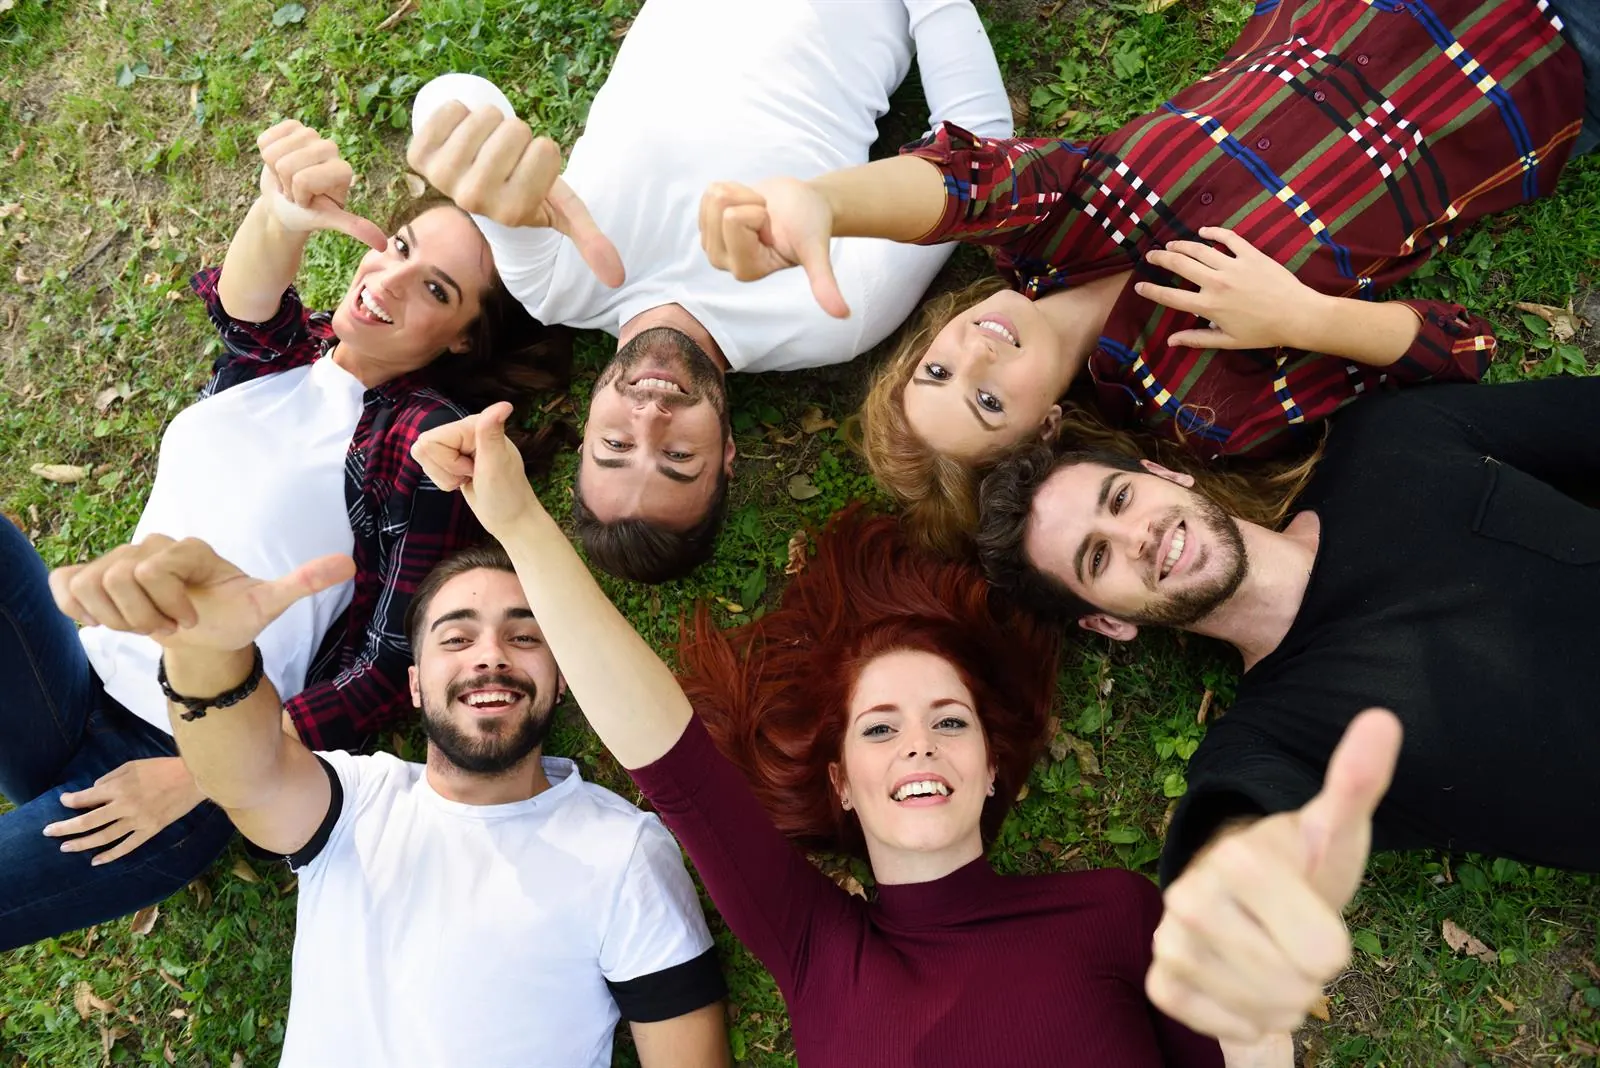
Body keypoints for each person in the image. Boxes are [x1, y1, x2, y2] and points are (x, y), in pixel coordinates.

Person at [401, 403, 1257, 1067]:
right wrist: (517, 523)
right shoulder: (816, 946)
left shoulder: (1113, 912)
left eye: (948, 721)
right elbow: (671, 761)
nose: (919, 745)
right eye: (880, 728)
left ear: (991, 766)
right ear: (842, 781)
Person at [700, 0, 1597, 555]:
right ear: (1045, 425)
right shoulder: (1205, 400)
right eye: (987, 402)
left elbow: (961, 184)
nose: (974, 353)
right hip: (1538, 65)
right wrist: (1307, 317)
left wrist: (824, 202)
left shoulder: (1052, 227)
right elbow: (1463, 351)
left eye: (939, 369)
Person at [0, 120, 569, 950]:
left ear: (462, 341)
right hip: (69, 675)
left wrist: (198, 776)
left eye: (437, 290)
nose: (391, 279)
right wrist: (280, 210)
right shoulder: (287, 362)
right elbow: (247, 303)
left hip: (183, 751)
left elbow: (386, 668)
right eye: (399, 246)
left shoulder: (417, 437)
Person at [974, 374, 1600, 1040]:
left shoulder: (1391, 438)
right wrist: (1235, 888)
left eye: (1122, 498)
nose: (1141, 537)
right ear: (1107, 623)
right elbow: (1235, 825)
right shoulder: (1272, 741)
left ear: (1165, 474)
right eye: (1099, 556)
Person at [43, 536, 731, 1067]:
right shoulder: (358, 799)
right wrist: (206, 655)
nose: (489, 656)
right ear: (414, 686)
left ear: (560, 683)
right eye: (456, 638)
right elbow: (244, 777)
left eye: (525, 638)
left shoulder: (624, 851)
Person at [403, 0, 1014, 582]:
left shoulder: (552, 285)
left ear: (586, 428)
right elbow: (983, 162)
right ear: (726, 452)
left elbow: (449, 96)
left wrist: (474, 156)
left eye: (616, 445)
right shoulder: (832, 315)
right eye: (676, 459)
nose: (649, 418)